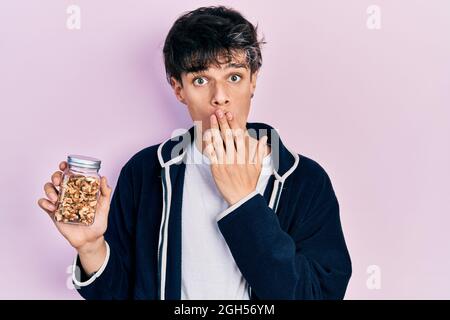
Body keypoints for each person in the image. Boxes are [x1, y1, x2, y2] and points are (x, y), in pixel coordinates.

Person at [37, 5, 351, 300]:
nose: (220, 97)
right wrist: (91, 247)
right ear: (178, 89)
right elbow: (121, 292)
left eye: (234, 77)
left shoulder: (305, 180)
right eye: (201, 80)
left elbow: (318, 293)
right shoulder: (144, 172)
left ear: (253, 80)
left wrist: (244, 203)